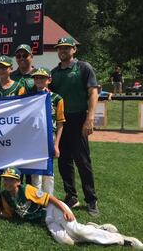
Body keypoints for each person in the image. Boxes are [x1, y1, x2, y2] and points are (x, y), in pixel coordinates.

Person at [0, 167, 143, 249]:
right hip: (46, 220)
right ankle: (100, 229)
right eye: (5, 179)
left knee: (76, 230)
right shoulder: (5, 195)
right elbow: (9, 214)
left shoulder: (27, 189)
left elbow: (51, 198)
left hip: (54, 209)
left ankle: (121, 239)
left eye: (10, 180)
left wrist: (65, 210)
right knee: (67, 241)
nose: (6, 182)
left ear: (18, 182)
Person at [50, 37, 99, 216]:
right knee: (64, 161)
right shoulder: (54, 73)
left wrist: (90, 118)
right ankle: (71, 196)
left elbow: (93, 92)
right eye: (60, 48)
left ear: (74, 50)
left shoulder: (83, 67)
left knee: (83, 161)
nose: (62, 50)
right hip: (61, 121)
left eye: (66, 48)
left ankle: (91, 199)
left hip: (79, 118)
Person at [30, 67, 65, 195]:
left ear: (49, 80)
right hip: (34, 137)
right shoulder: (29, 97)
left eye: (42, 78)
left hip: (50, 137)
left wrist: (57, 145)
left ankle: (49, 200)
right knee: (36, 172)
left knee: (48, 172)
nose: (39, 80)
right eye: (36, 77)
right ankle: (37, 201)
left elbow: (60, 122)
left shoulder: (57, 98)